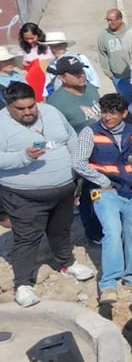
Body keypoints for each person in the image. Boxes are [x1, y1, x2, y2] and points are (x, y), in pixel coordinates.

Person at [0, 83, 95, 308]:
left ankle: (66, 264)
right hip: (24, 195)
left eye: (31, 106)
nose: (28, 112)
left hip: (63, 189)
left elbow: (71, 138)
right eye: (20, 109)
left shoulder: (51, 111)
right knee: (27, 238)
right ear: (9, 106)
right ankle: (23, 284)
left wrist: (77, 165)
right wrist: (23, 157)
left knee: (60, 230)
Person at [73, 93, 132, 304]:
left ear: (124, 113)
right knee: (112, 233)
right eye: (104, 112)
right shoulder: (90, 132)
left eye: (112, 113)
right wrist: (103, 182)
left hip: (131, 191)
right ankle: (109, 284)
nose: (107, 117)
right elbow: (79, 162)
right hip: (105, 192)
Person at [45, 55, 101, 134]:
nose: (82, 75)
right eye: (75, 73)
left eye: (81, 70)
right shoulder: (56, 103)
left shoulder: (90, 88)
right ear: (62, 78)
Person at [98, 9, 132, 99]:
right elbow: (103, 56)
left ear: (120, 19)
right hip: (118, 78)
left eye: (111, 20)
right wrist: (109, 75)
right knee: (125, 101)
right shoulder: (104, 36)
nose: (109, 23)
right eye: (107, 20)